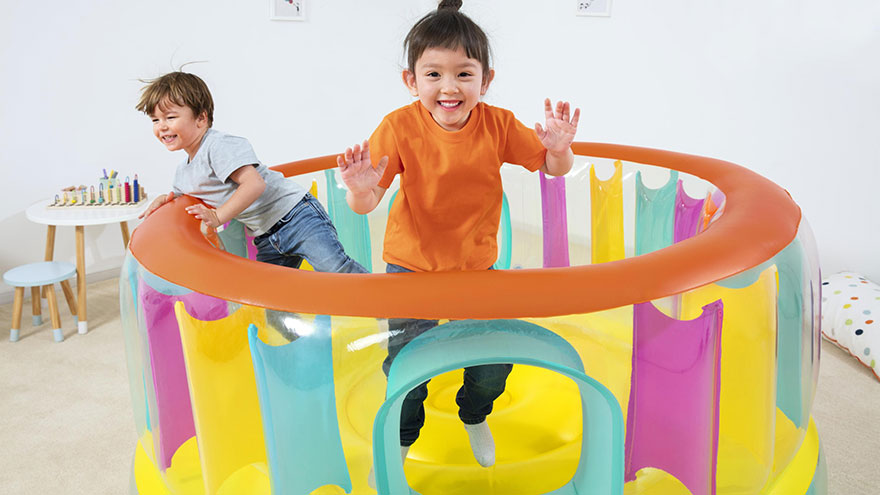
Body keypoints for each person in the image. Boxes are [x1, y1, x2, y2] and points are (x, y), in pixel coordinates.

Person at [337, 0, 579, 479]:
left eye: (464, 74)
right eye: (434, 75)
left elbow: (552, 168)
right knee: (405, 366)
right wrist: (361, 192)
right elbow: (366, 204)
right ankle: (402, 438)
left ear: (485, 81)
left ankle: (474, 413)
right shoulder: (398, 127)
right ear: (411, 81)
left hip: (475, 268)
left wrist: (560, 149)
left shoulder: (498, 123)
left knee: (492, 361)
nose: (449, 88)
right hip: (411, 268)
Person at [135, 71, 367, 276]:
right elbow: (184, 199)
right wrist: (163, 200)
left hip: (295, 216)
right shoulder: (182, 173)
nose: (161, 126)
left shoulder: (218, 146)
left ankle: (384, 303)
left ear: (201, 118)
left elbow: (254, 184)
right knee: (272, 296)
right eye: (155, 120)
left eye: (170, 117)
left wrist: (218, 216)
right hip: (265, 235)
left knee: (336, 269)